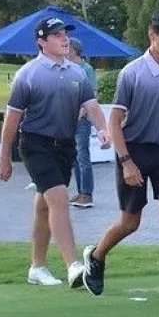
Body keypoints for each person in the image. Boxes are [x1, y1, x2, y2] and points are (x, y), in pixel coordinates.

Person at [81, 8, 159, 306]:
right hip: (133, 151)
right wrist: (126, 161)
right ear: (152, 34)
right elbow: (114, 122)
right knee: (130, 222)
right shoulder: (132, 73)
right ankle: (96, 256)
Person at [0, 17, 109, 288]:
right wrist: (3, 159)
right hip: (36, 144)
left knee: (44, 204)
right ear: (41, 42)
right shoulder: (28, 74)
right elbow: (12, 118)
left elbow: (91, 105)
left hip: (64, 146)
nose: (64, 38)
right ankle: (74, 266)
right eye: (56, 35)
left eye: (64, 34)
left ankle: (37, 266)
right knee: (58, 198)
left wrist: (103, 129)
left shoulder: (77, 72)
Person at [69, 37, 98, 209]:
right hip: (69, 119)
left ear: (73, 50)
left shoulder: (87, 69)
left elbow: (92, 95)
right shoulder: (69, 68)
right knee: (75, 157)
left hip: (82, 120)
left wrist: (79, 115)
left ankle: (87, 194)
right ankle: (80, 191)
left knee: (83, 155)